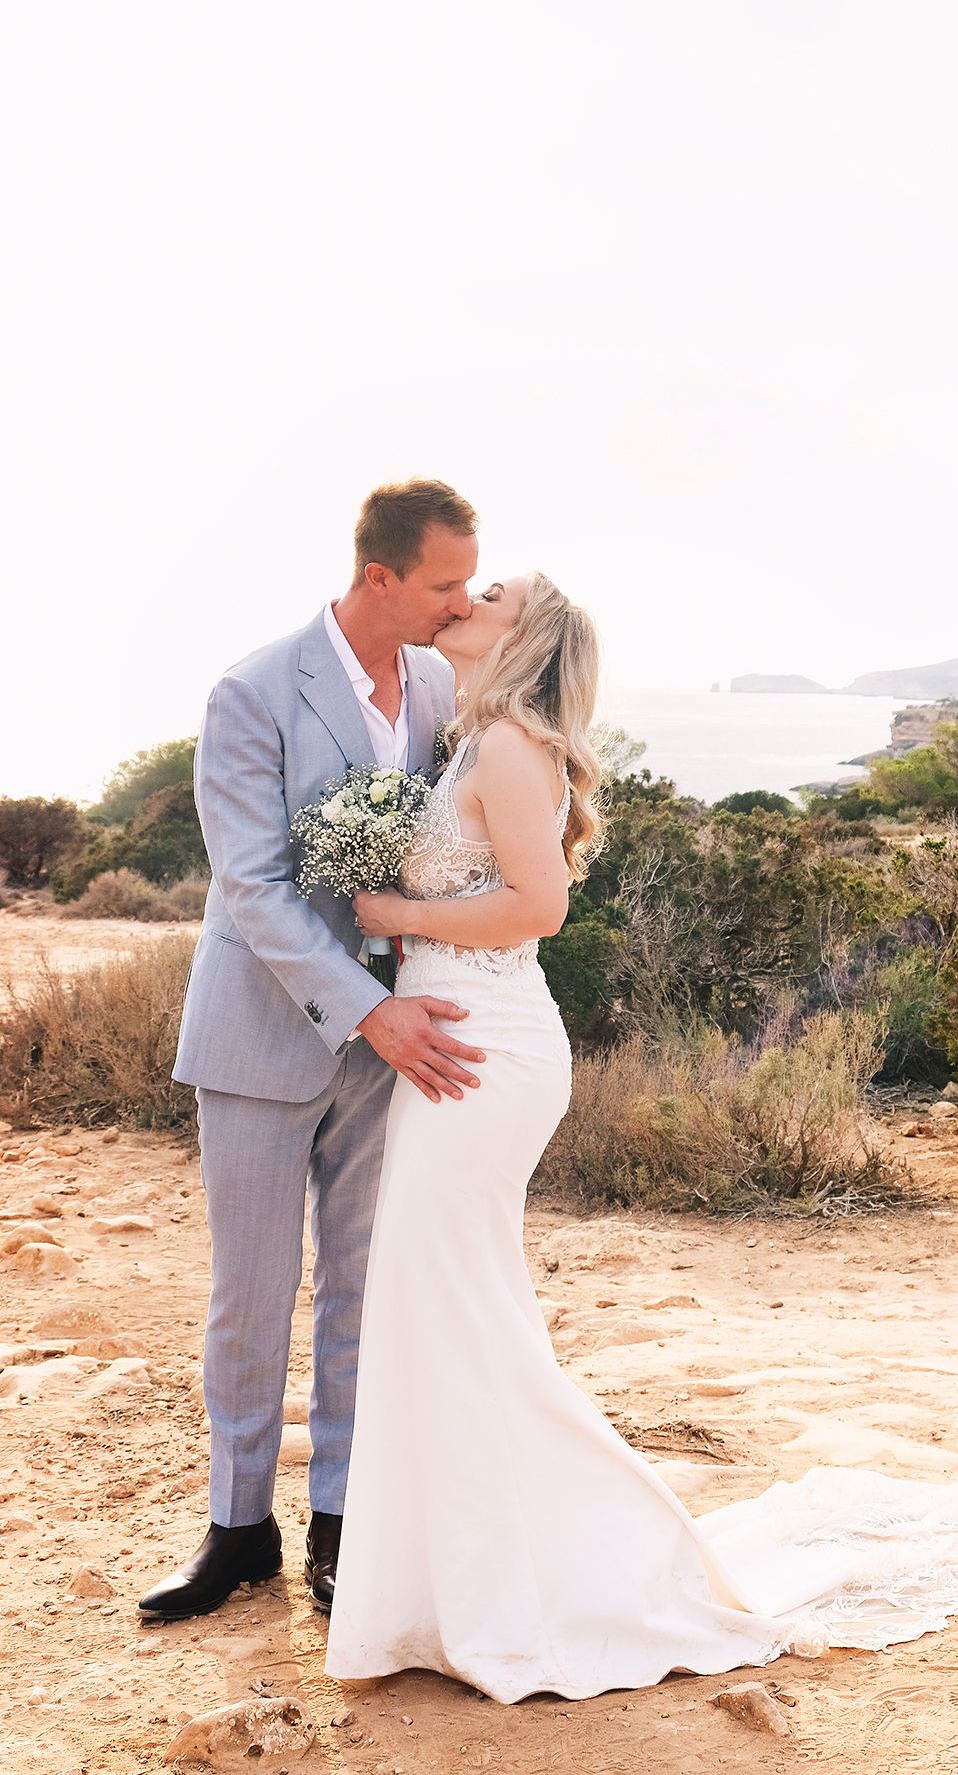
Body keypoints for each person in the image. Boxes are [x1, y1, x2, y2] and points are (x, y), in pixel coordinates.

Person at [324, 571, 958, 1701]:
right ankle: (459, 1586)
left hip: (484, 1048)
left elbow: (541, 905)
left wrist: (399, 914)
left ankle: (573, 1574)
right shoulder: (467, 740)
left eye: (494, 591)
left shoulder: (513, 744)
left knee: (454, 1305)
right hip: (454, 1042)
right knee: (444, 1304)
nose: (470, 592)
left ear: (527, 636)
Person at [138, 480, 488, 1624]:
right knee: (251, 1295)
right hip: (260, 1035)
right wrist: (364, 1006)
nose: (462, 599)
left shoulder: (438, 682)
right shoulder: (251, 691)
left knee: (361, 1286)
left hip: (394, 1039)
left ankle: (343, 1523)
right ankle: (238, 1526)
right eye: (444, 582)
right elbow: (253, 885)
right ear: (379, 576)